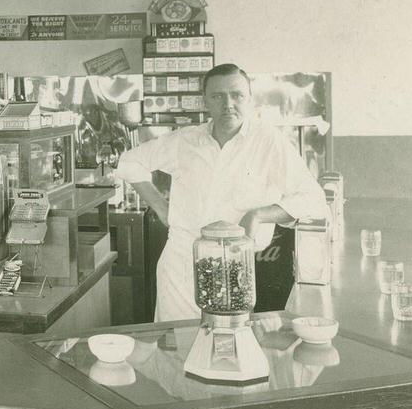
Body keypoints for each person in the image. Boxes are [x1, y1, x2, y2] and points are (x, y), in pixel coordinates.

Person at [113, 63, 327, 322]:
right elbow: (129, 162)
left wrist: (258, 215)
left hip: (237, 266)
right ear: (205, 101)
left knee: (229, 350)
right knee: (179, 350)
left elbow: (313, 199)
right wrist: (160, 206)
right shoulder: (185, 140)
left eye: (237, 95)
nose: (228, 104)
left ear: (250, 98)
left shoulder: (269, 142)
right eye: (217, 96)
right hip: (181, 265)